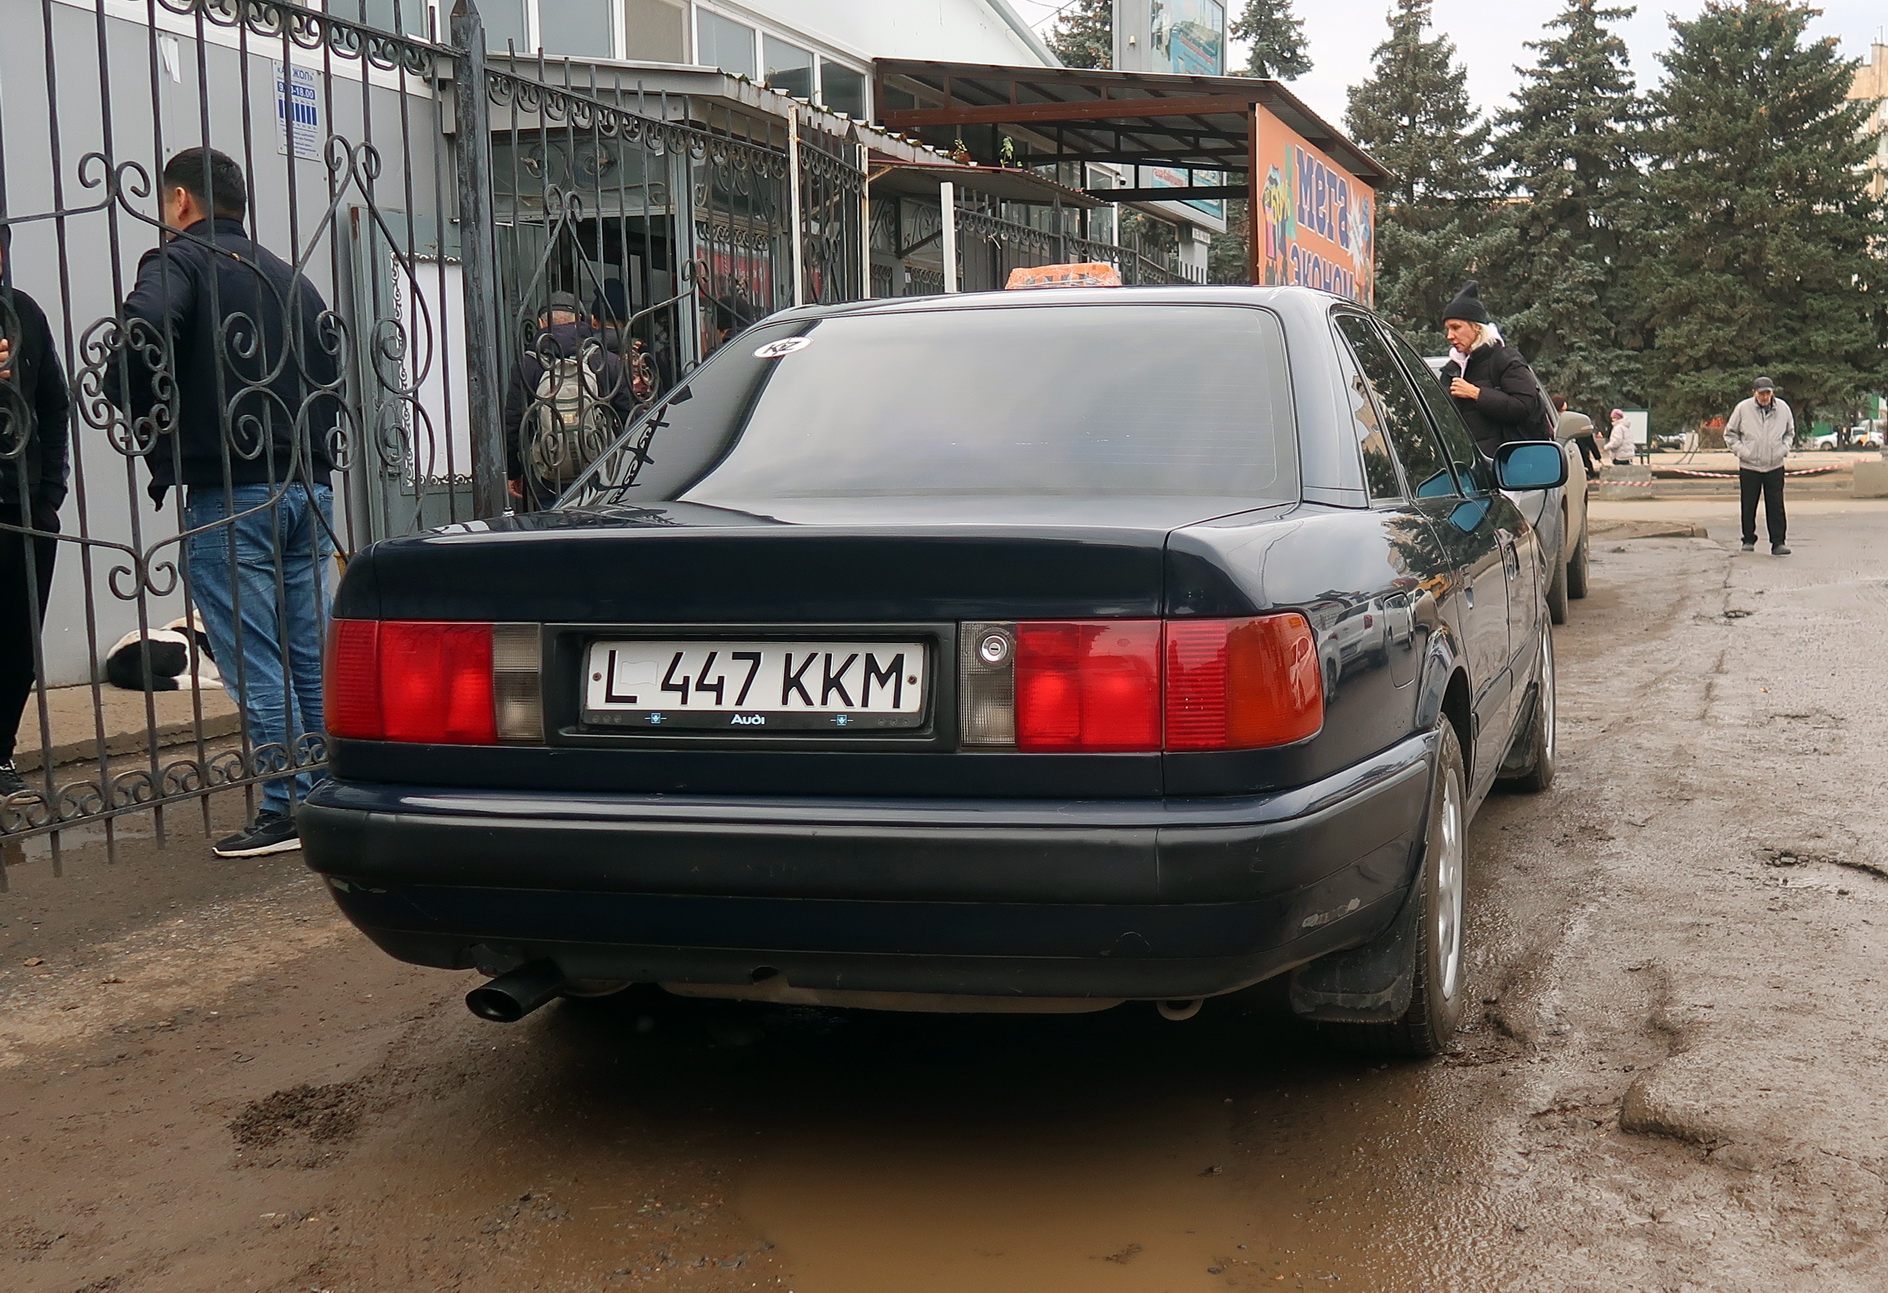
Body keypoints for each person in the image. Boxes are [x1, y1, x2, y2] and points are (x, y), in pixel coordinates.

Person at [109, 147, 338, 857]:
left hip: (232, 491)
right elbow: (328, 366)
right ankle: (323, 791)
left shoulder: (177, 260)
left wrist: (146, 411)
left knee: (256, 658)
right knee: (307, 655)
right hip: (309, 486)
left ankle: (285, 804)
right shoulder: (289, 278)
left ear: (181, 202)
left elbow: (141, 331)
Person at [0, 224, 71, 799]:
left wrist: (49, 496)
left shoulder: (24, 313)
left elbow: (54, 405)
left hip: (24, 511)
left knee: (16, 642)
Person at [503, 290, 637, 510]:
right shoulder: (605, 359)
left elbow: (513, 421)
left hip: (547, 471)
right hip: (598, 468)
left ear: (540, 322)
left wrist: (514, 470)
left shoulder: (528, 364)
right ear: (580, 320)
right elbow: (629, 415)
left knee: (553, 530)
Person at [1437, 281, 1551, 457]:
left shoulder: (1505, 359)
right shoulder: (1451, 371)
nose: (1450, 336)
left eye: (1456, 327)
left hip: (1509, 470)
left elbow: (1523, 406)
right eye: (1448, 329)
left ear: (1476, 327)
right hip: (1466, 473)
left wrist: (1476, 393)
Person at [1723, 376, 1794, 556]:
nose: (1765, 397)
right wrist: (1743, 452)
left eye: (1768, 393)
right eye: (1761, 393)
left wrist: (1783, 449)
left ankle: (1778, 542)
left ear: (1772, 393)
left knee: (1776, 505)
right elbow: (1730, 434)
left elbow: (1789, 433)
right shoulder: (1742, 408)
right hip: (1750, 466)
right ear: (1754, 393)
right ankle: (1748, 539)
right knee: (1748, 504)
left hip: (1774, 465)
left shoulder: (1783, 409)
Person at [1554, 395, 1600, 479]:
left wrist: (1597, 456)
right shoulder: (1552, 420)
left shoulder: (1573, 421)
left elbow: (1590, 441)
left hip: (1579, 459)